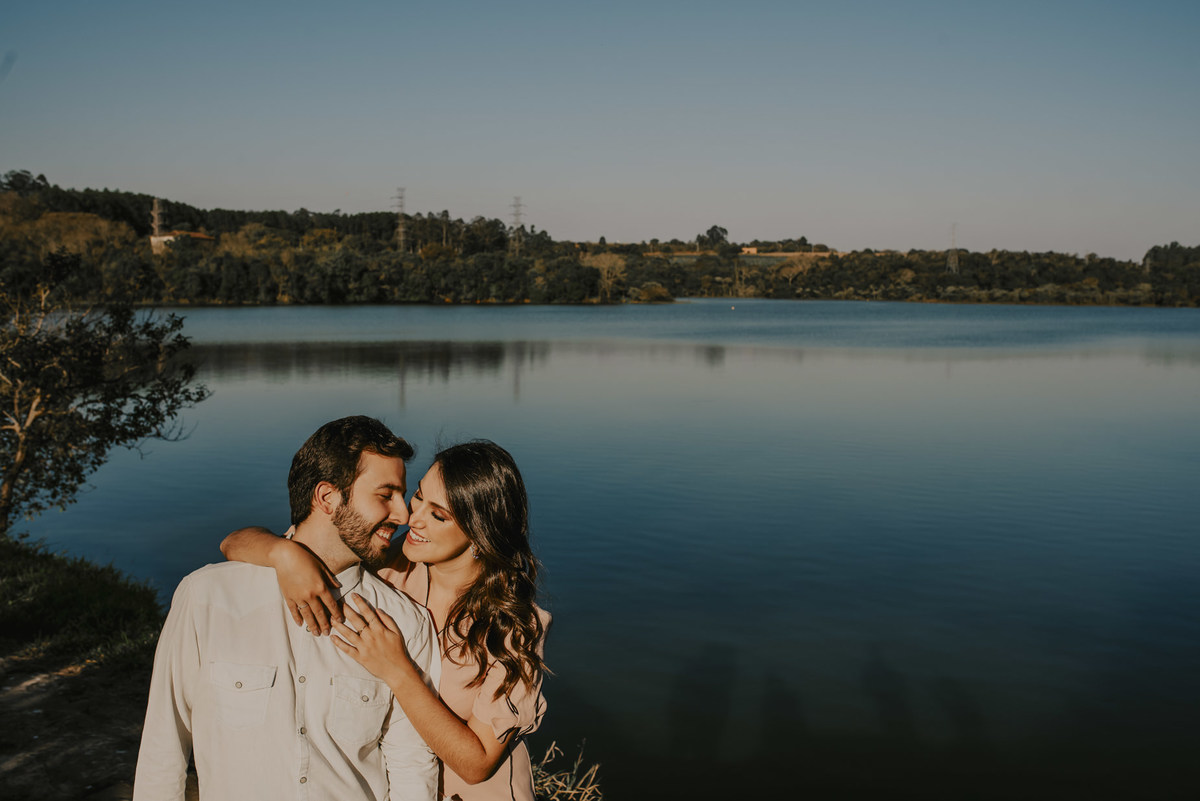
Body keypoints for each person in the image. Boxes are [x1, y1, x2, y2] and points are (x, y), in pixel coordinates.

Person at [221, 440, 549, 801]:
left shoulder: (515, 627)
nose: (413, 519)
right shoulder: (387, 566)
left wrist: (398, 670)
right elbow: (233, 543)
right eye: (419, 497)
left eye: (438, 515)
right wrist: (283, 553)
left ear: (479, 535)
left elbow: (477, 765)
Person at [134, 416, 440, 801]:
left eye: (402, 496)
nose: (404, 515)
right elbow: (165, 743)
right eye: (386, 495)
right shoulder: (207, 597)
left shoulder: (405, 622)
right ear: (327, 498)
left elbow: (412, 764)